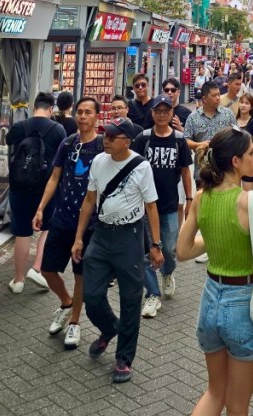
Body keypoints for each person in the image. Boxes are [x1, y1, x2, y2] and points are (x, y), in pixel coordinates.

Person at [176, 126, 253, 416]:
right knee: (237, 405)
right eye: (251, 153)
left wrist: (215, 238)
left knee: (214, 392)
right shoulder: (249, 200)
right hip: (242, 303)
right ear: (235, 161)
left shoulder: (201, 196)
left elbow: (182, 251)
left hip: (210, 301)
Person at [71, 117, 163, 385]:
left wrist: (155, 246)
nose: (106, 140)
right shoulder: (99, 161)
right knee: (92, 294)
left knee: (131, 299)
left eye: (113, 136)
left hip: (129, 237)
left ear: (127, 141)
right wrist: (79, 237)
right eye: (105, 135)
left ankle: (124, 358)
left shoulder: (141, 166)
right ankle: (110, 327)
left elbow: (151, 206)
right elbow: (90, 199)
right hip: (101, 235)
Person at [32, 96, 103, 350]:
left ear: (96, 117)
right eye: (80, 112)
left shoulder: (102, 146)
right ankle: (66, 302)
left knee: (80, 274)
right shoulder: (68, 143)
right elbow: (54, 177)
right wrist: (41, 208)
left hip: (89, 222)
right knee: (47, 270)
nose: (82, 116)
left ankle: (75, 322)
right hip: (62, 217)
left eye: (88, 112)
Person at [133, 95, 193, 317]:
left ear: (171, 113)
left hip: (168, 205)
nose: (161, 114)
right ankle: (152, 294)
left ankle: (167, 272)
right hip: (144, 205)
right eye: (157, 111)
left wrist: (189, 199)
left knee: (168, 248)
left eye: (165, 111)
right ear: (152, 113)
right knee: (145, 251)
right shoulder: (143, 138)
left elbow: (185, 171)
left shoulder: (179, 140)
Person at [6, 91, 66, 294]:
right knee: (47, 228)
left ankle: (18, 280)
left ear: (34, 107)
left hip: (20, 186)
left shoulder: (19, 126)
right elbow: (63, 157)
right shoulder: (58, 129)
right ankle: (37, 268)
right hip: (46, 188)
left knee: (22, 232)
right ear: (51, 109)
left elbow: (9, 142)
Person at [184, 82, 237, 263]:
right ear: (204, 98)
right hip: (203, 170)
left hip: (225, 170)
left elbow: (237, 136)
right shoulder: (193, 118)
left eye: (218, 95)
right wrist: (200, 144)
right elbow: (186, 140)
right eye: (214, 96)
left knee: (225, 206)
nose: (217, 98)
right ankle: (206, 244)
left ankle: (225, 241)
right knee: (205, 208)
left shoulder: (227, 114)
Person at [236, 93, 253, 191]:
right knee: (235, 196)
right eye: (241, 102)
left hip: (249, 162)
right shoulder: (233, 121)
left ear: (251, 107)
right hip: (235, 163)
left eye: (246, 103)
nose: (243, 105)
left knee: (248, 196)